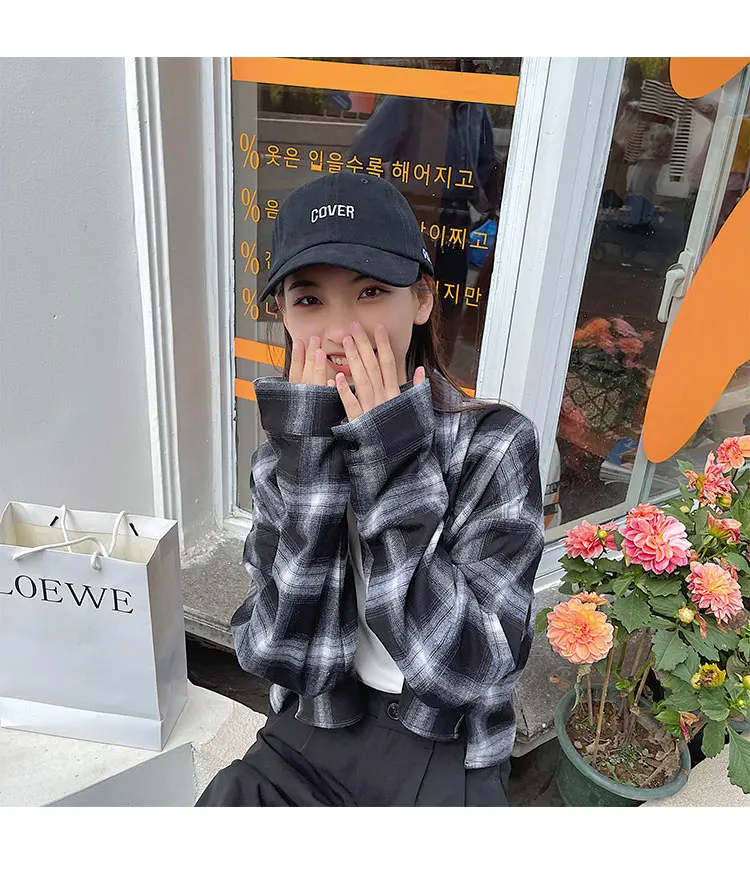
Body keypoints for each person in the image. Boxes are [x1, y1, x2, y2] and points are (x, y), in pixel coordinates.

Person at [196, 172, 544, 807]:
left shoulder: (493, 443)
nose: (340, 331)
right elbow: (273, 651)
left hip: (446, 746)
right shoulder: (284, 455)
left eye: (371, 292)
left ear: (422, 300)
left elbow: (464, 670)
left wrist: (391, 458)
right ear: (283, 316)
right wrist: (308, 464)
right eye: (310, 300)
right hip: (317, 723)